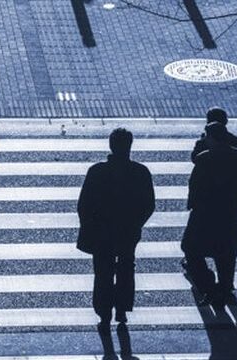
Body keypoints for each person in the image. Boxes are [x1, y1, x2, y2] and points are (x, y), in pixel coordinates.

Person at [77, 128, 156, 330]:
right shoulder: (140, 172)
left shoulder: (97, 171)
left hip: (102, 232)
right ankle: (122, 308)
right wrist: (137, 223)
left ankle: (104, 313)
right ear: (130, 145)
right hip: (128, 231)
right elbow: (149, 204)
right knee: (126, 268)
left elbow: (84, 204)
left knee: (103, 272)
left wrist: (89, 226)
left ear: (111, 145)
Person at [182, 122, 237, 308]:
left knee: (190, 248)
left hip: (205, 213)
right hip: (229, 213)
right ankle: (225, 288)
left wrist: (193, 206)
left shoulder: (204, 158)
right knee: (226, 253)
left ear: (212, 138)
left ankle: (208, 286)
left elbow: (194, 186)